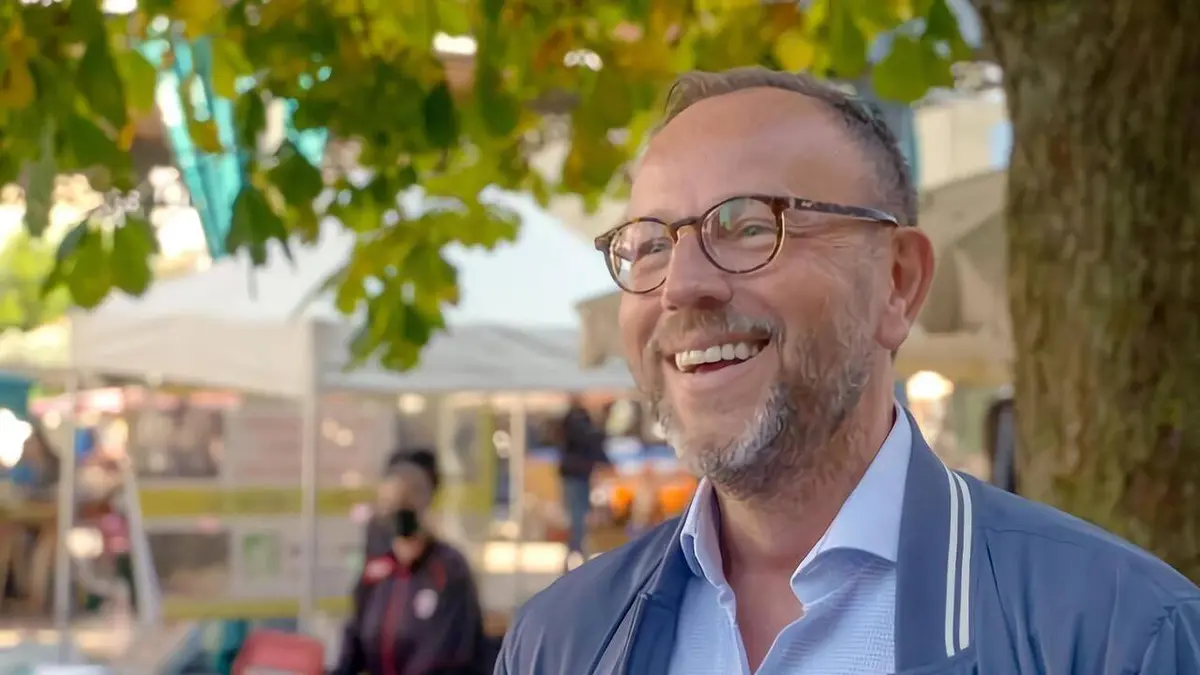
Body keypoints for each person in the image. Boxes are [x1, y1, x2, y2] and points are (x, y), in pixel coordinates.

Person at [495, 68, 1200, 674]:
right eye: (650, 244)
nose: (681, 285)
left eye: (748, 226)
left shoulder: (1116, 634)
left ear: (897, 283)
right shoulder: (560, 641)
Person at [335, 449, 487, 675]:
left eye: (400, 504)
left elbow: (447, 653)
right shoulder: (379, 570)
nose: (388, 514)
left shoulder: (449, 570)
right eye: (385, 504)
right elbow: (354, 641)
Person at [557, 396, 610, 567]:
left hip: (579, 474)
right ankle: (575, 552)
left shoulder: (579, 419)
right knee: (577, 515)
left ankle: (575, 552)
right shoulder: (576, 419)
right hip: (576, 474)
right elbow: (591, 440)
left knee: (579, 515)